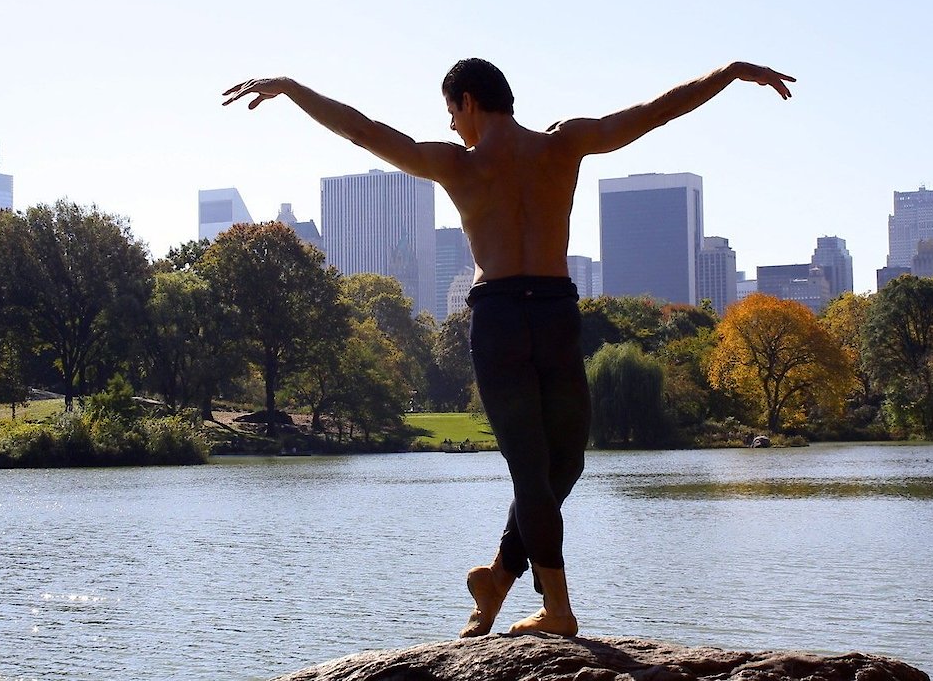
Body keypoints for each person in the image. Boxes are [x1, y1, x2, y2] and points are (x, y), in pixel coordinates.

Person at [222, 59, 794, 637]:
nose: (451, 127)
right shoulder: (559, 145)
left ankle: (499, 578)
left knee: (560, 464)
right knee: (538, 467)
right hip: (543, 311)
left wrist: (294, 90)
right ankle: (557, 608)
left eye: (451, 113)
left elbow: (364, 130)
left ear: (468, 101)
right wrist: (729, 75)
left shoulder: (473, 161)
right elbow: (652, 113)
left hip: (514, 314)